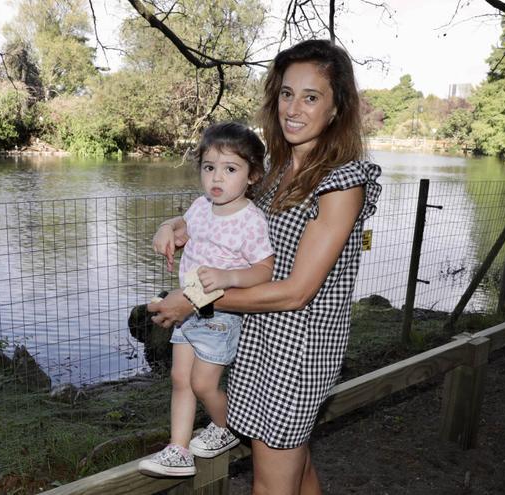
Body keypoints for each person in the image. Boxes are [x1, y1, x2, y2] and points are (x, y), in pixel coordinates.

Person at [147, 39, 382, 494]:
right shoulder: (276, 171)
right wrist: (176, 223)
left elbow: (297, 291)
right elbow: (228, 218)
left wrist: (191, 301)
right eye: (286, 94)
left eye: (311, 97)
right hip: (258, 337)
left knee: (271, 481)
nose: (293, 108)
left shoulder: (340, 183)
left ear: (336, 109)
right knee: (296, 467)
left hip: (298, 351)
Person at [138, 122, 276, 477]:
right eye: (209, 167)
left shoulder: (251, 221)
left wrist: (231, 276)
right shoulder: (202, 206)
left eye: (230, 169)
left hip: (219, 312)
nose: (217, 178)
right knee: (180, 378)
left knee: (202, 383)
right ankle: (178, 449)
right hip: (189, 310)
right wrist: (167, 228)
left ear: (252, 175)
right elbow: (184, 225)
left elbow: (264, 269)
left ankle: (225, 426)